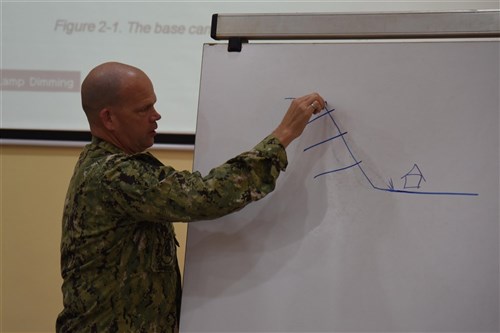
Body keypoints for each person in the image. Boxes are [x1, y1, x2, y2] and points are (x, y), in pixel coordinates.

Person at [56, 61, 325, 333]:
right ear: (108, 118)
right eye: (143, 109)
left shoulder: (105, 165)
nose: (156, 115)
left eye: (153, 104)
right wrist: (284, 135)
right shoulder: (113, 175)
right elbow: (207, 196)